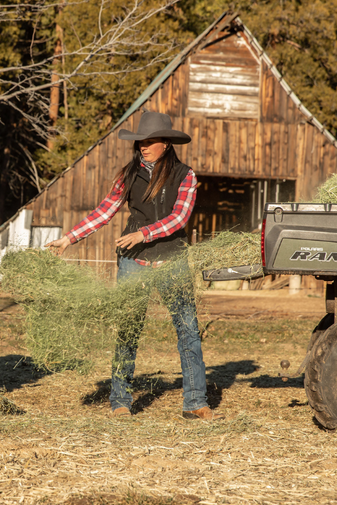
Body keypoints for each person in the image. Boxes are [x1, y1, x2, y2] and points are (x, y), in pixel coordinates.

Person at [46, 111, 224, 421]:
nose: (144, 146)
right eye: (141, 141)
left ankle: (195, 402)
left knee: (188, 332)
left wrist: (144, 232)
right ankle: (120, 402)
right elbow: (105, 210)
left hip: (172, 260)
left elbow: (179, 218)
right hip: (134, 263)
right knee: (127, 330)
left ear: (166, 143)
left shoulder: (185, 175)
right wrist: (68, 239)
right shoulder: (127, 175)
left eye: (151, 141)